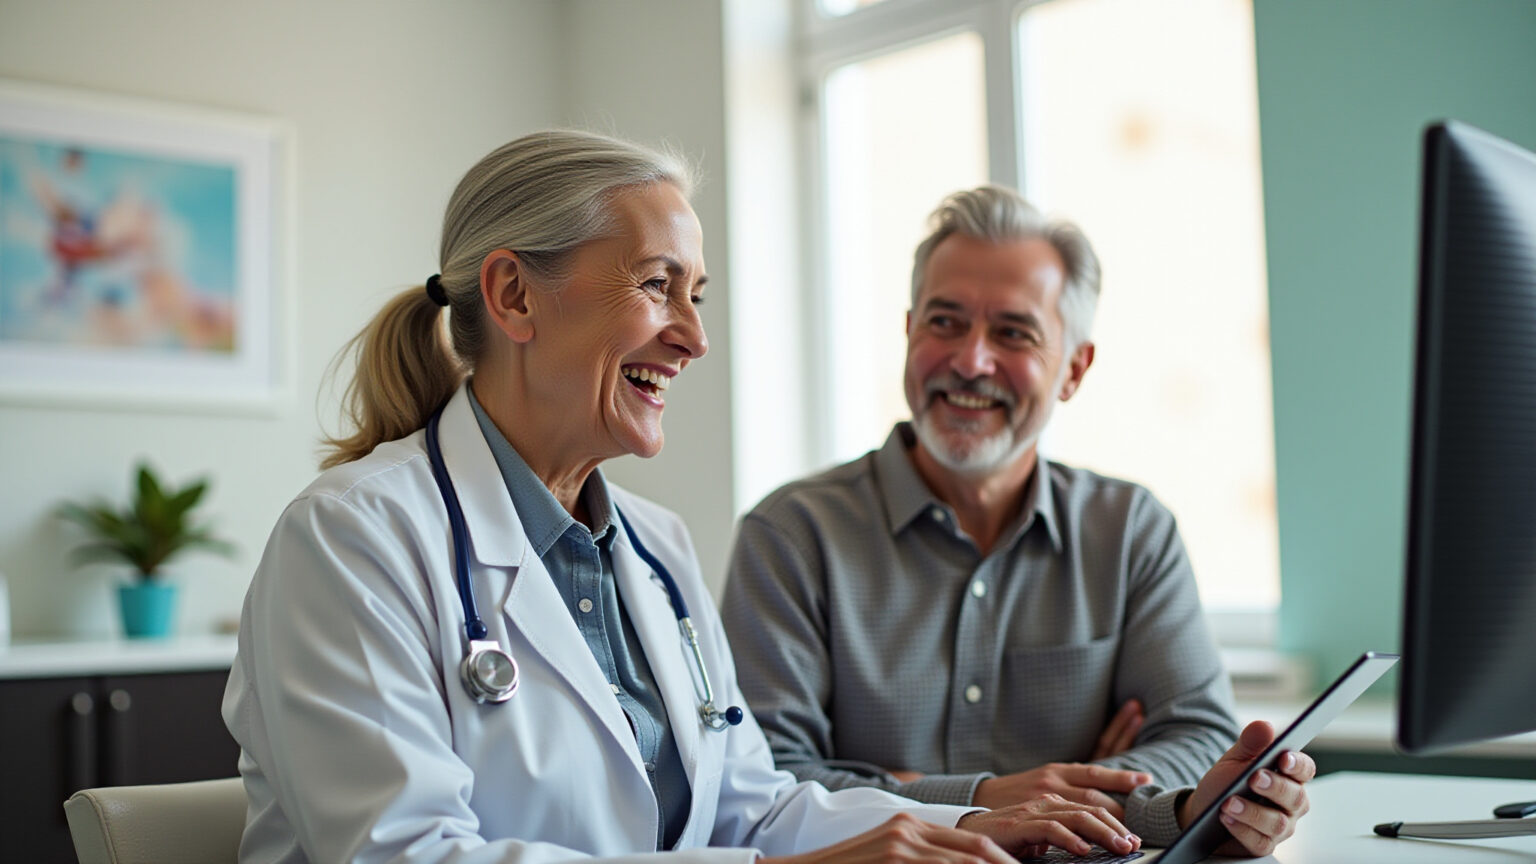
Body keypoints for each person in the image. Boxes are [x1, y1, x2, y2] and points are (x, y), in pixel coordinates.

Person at [221, 133, 1146, 864]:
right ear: (513, 295)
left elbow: (750, 806)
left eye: (696, 294)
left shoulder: (654, 549)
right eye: (659, 286)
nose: (695, 338)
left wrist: (964, 829)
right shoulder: (351, 539)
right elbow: (406, 856)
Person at [721, 185, 1315, 857]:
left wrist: (921, 788)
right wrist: (982, 799)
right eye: (944, 323)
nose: (971, 360)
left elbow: (1202, 740)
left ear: (1074, 369)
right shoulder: (790, 537)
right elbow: (768, 779)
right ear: (909, 332)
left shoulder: (1131, 532)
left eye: (1013, 333)